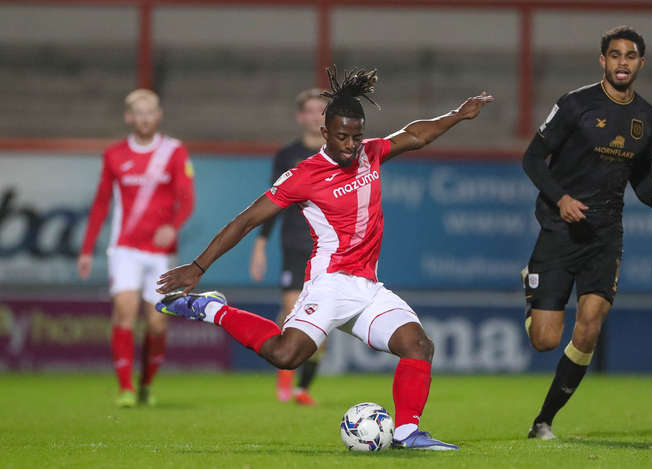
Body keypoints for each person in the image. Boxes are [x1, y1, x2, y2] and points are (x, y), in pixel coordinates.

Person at [155, 67, 493, 450]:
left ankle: (406, 433)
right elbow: (247, 220)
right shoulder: (304, 175)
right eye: (343, 137)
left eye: (357, 136)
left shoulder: (371, 153)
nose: (351, 145)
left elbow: (415, 135)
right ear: (326, 133)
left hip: (367, 287)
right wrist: (198, 266)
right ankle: (211, 309)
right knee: (286, 355)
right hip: (329, 284)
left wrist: (458, 115)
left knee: (418, 345)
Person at [521, 26, 652, 440]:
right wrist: (562, 198)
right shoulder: (575, 104)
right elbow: (532, 159)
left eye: (630, 55)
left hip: (605, 235)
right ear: (602, 60)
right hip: (559, 229)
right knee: (545, 340)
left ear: (641, 62)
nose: (622, 62)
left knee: (590, 325)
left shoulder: (647, 117)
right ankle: (532, 288)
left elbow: (640, 174)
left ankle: (544, 420)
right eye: (615, 55)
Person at [78, 89, 195, 407]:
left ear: (158, 115)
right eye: (138, 113)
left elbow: (187, 198)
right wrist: (87, 249)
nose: (144, 118)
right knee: (124, 312)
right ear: (128, 117)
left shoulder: (174, 151)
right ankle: (126, 388)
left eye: (150, 112)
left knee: (157, 321)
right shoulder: (114, 154)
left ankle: (146, 383)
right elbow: (101, 203)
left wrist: (173, 225)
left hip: (161, 253)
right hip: (125, 249)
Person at [249, 88, 328, 405]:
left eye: (321, 111)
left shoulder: (341, 152)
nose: (315, 116)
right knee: (293, 312)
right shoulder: (287, 155)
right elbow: (274, 201)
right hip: (295, 244)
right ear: (300, 116)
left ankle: (303, 389)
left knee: (323, 321)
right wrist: (260, 243)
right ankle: (285, 380)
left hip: (329, 249)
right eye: (310, 110)